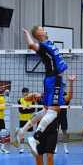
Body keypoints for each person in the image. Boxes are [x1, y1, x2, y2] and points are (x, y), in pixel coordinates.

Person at [19, 26, 68, 156]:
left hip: (51, 79)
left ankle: (22, 131)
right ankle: (35, 138)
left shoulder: (49, 44)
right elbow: (30, 44)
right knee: (55, 111)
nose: (44, 29)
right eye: (41, 28)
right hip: (54, 79)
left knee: (47, 110)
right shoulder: (43, 45)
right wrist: (27, 33)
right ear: (38, 34)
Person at [29, 75, 75, 165]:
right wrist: (33, 94)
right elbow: (27, 98)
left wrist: (70, 82)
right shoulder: (43, 96)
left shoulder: (58, 98)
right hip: (41, 131)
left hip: (53, 131)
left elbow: (69, 96)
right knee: (38, 155)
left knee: (49, 156)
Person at [17, 87, 35, 153]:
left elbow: (33, 110)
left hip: (30, 119)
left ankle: (31, 148)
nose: (26, 93)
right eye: (24, 92)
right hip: (22, 119)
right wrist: (27, 109)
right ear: (22, 93)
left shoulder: (32, 100)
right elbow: (21, 111)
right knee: (22, 134)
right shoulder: (20, 100)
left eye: (27, 92)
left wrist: (25, 109)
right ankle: (22, 148)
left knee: (30, 135)